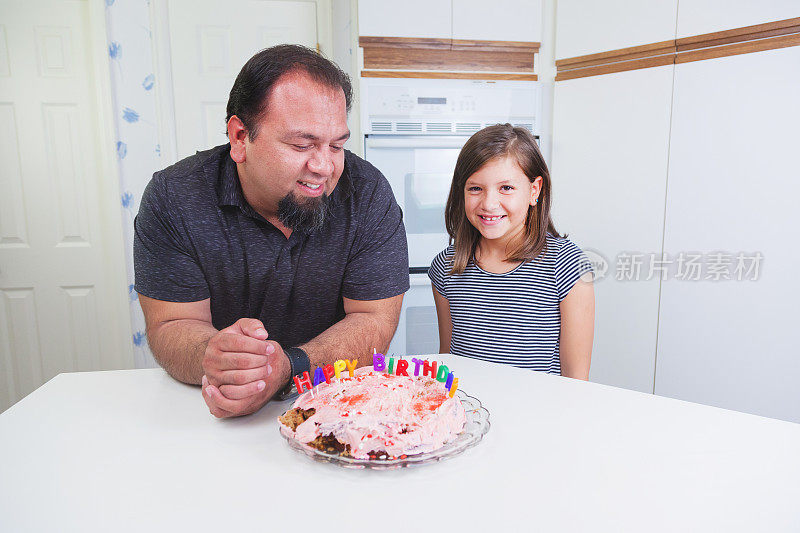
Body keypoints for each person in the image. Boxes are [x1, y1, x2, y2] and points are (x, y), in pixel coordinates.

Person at [133, 45, 409, 417]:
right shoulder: (175, 197)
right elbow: (172, 323)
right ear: (240, 137)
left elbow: (374, 318)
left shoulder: (368, 192)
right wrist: (219, 358)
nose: (324, 167)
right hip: (210, 412)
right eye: (302, 144)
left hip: (336, 405)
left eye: (337, 145)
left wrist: (288, 367)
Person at [428, 124, 594, 378]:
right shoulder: (446, 268)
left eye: (506, 188)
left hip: (537, 415)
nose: (489, 203)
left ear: (534, 190)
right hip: (470, 414)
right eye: (475, 188)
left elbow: (577, 382)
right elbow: (447, 362)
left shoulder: (567, 265)